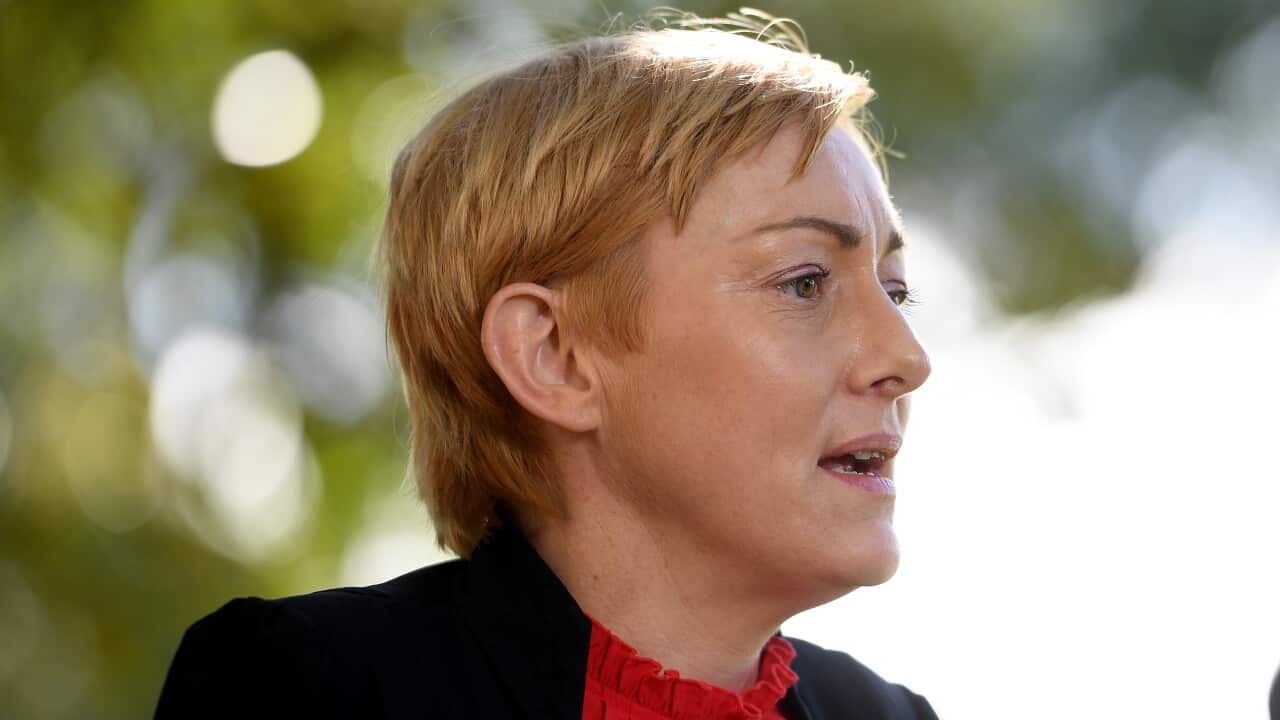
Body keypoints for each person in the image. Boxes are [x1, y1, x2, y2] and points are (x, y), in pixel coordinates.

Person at [155, 10, 937, 719]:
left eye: (896, 291)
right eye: (804, 282)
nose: (907, 358)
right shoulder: (308, 688)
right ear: (553, 356)